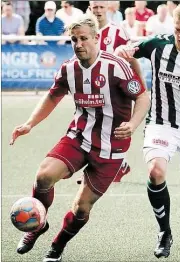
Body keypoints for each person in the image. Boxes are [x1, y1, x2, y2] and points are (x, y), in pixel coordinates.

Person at [10, 14, 150, 262]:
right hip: (79, 136)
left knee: (81, 207)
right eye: (74, 39)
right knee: (43, 176)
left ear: (97, 39)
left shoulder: (115, 67)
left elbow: (142, 97)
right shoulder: (68, 68)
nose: (78, 44)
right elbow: (53, 96)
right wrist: (30, 123)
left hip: (111, 147)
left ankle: (57, 246)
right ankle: (38, 224)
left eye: (84, 38)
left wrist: (133, 123)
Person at [115, 2, 180, 260]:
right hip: (160, 123)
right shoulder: (158, 44)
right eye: (177, 30)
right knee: (156, 172)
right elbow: (127, 49)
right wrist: (123, 50)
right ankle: (164, 233)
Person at [76, 1, 131, 184]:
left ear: (107, 8)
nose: (98, 11)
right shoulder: (84, 32)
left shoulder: (118, 31)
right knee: (89, 126)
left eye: (101, 7)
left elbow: (130, 57)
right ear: (90, 8)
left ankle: (119, 163)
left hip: (116, 91)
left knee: (115, 129)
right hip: (92, 91)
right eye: (94, 7)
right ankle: (96, 166)